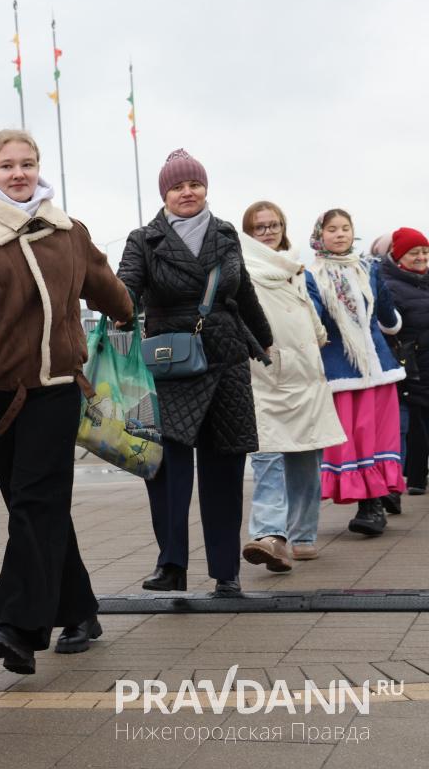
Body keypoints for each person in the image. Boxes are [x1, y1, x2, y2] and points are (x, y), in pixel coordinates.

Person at [0, 128, 131, 672]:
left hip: (56, 391)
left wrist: (128, 312)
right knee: (35, 506)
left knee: (36, 504)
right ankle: (80, 610)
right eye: (7, 165)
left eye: (27, 163)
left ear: (39, 168)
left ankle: (16, 626)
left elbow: (102, 281)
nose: (18, 173)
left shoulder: (68, 233)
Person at [116, 149, 273, 598]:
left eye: (195, 184)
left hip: (225, 359)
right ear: (164, 194)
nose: (187, 192)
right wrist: (116, 303)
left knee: (224, 467)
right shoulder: (144, 239)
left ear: (205, 188)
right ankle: (171, 564)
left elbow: (243, 290)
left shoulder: (225, 233)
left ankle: (226, 572)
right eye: (177, 186)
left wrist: (263, 339)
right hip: (171, 362)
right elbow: (127, 285)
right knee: (165, 468)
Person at [237, 202, 344, 569]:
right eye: (260, 227)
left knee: (306, 461)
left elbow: (309, 313)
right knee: (268, 458)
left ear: (283, 227)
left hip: (305, 375)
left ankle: (303, 536)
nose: (268, 232)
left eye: (274, 225)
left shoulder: (295, 268)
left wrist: (319, 335)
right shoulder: (240, 268)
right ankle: (269, 536)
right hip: (263, 375)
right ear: (249, 233)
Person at [306, 209, 405, 537]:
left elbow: (388, 315)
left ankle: (380, 496)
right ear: (320, 235)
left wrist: (392, 324)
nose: (340, 234)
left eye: (345, 228)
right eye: (332, 229)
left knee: (380, 436)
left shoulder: (369, 269)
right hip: (342, 371)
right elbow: (314, 320)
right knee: (356, 438)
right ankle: (370, 503)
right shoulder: (312, 276)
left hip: (379, 368)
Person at [379, 227, 429, 502]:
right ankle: (403, 482)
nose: (421, 257)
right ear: (399, 256)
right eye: (414, 253)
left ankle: (414, 478)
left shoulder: (425, 280)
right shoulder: (390, 285)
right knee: (411, 424)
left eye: (425, 252)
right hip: (409, 366)